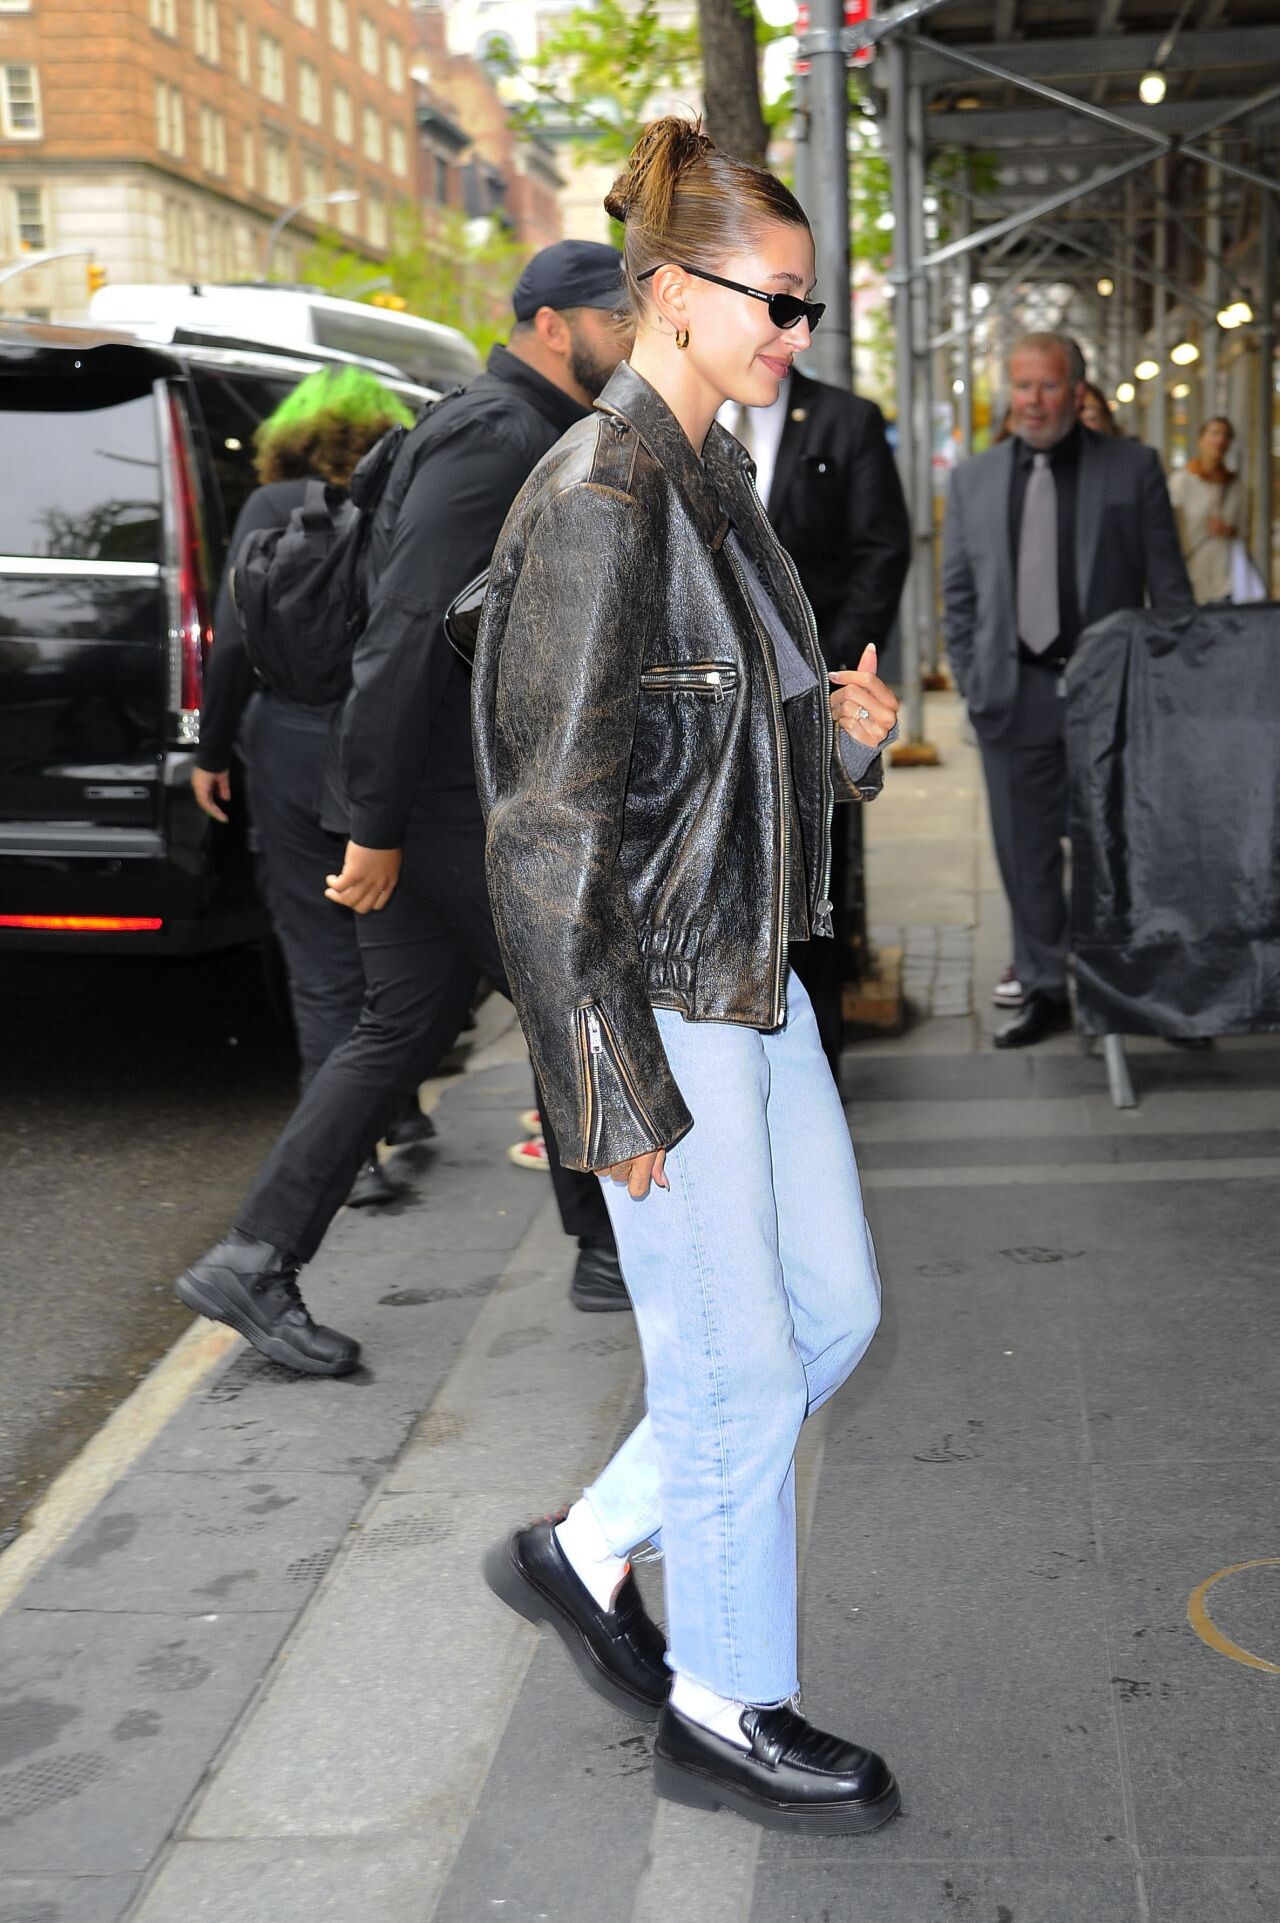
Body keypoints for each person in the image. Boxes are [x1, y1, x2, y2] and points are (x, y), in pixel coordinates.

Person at [476, 117, 903, 1835]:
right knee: (730, 1363)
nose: (796, 330)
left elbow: (716, 750)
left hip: (749, 969)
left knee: (832, 1313)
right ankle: (728, 1701)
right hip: (661, 991)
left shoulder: (710, 477)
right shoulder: (603, 495)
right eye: (774, 299)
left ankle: (585, 1547)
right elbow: (545, 820)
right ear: (668, 291)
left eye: (805, 303)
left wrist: (843, 746)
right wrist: (607, 1082)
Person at [176, 242, 635, 1378]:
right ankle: (613, 1249)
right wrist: (375, 826)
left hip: (432, 795)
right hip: (441, 804)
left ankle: (254, 1258)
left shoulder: (522, 426)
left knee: (405, 1026)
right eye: (615, 316)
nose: (632, 334)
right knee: (578, 1003)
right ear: (550, 326)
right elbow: (404, 632)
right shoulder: (498, 437)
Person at [192, 367, 429, 1209]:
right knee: (395, 938)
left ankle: (346, 1158)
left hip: (289, 741)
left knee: (321, 957)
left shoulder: (269, 506)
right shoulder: (405, 498)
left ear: (289, 436)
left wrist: (211, 748)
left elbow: (232, 641)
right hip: (386, 742)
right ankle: (399, 1103)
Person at [942, 331, 1192, 1047]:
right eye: (1022, 385)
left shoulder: (1132, 468)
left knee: (1118, 849)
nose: (1033, 400)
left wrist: (1166, 694)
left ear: (1077, 391)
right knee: (1026, 856)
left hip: (1109, 699)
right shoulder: (973, 479)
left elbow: (1170, 593)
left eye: (1048, 385)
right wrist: (974, 680)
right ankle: (1044, 986)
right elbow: (959, 597)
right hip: (1012, 696)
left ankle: (1130, 989)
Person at [721, 361, 910, 1070]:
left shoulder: (845, 420)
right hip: (720, 719)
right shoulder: (688, 418)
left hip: (819, 708)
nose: (790, 330)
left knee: (812, 902)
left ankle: (819, 1069)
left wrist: (827, 678)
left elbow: (880, 550)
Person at [1169, 416, 1247, 603]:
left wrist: (1229, 530)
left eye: (1226, 436)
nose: (1220, 440)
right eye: (1214, 434)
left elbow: (1245, 529)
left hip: (1225, 579)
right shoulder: (1181, 482)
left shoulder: (1236, 486)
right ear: (1200, 439)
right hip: (1191, 575)